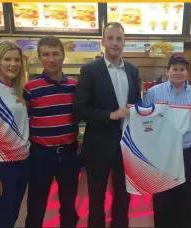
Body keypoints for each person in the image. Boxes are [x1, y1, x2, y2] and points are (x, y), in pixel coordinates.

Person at [73, 22, 141, 228]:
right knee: (96, 199)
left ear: (124, 43)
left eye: (119, 39)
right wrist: (108, 115)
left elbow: (136, 103)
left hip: (127, 147)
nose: (114, 43)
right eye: (110, 38)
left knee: (124, 197)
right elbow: (79, 109)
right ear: (102, 42)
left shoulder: (132, 70)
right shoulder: (89, 70)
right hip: (98, 146)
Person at [143, 53, 191, 228]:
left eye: (182, 69)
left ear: (187, 72)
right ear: (168, 70)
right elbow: (145, 124)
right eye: (175, 69)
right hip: (162, 153)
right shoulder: (153, 93)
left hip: (188, 151)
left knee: (186, 197)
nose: (178, 73)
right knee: (162, 197)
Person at [24, 36, 80, 228]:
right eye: (46, 54)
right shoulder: (30, 88)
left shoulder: (74, 86)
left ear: (63, 56)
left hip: (69, 154)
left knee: (69, 205)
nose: (51, 59)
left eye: (55, 54)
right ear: (40, 58)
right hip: (41, 155)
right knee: (36, 205)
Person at [0, 41, 30, 228]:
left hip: (23, 163)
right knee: (2, 221)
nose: (14, 64)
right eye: (7, 59)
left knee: (12, 217)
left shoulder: (17, 90)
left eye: (17, 60)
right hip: (2, 166)